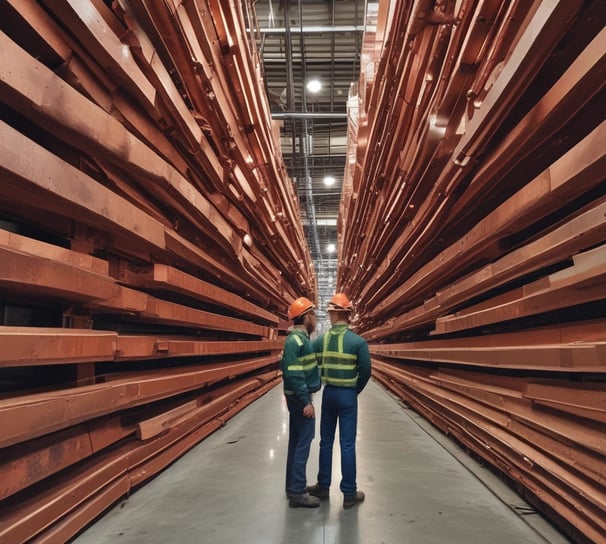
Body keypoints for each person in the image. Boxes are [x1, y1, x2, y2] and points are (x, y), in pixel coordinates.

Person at [307, 293, 371, 509]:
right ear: (348, 314)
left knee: (326, 441)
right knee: (347, 444)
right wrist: (354, 390)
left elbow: (308, 358)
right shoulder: (358, 342)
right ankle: (349, 493)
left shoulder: (322, 340)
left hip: (329, 394)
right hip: (347, 396)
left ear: (333, 314)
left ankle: (323, 486)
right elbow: (366, 371)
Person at [281, 296, 322, 508]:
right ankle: (297, 492)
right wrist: (307, 402)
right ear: (305, 317)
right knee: (304, 442)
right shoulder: (297, 341)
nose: (315, 319)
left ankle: (292, 486)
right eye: (313, 314)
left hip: (298, 397)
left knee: (296, 442)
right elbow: (295, 375)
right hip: (300, 399)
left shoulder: (299, 340)